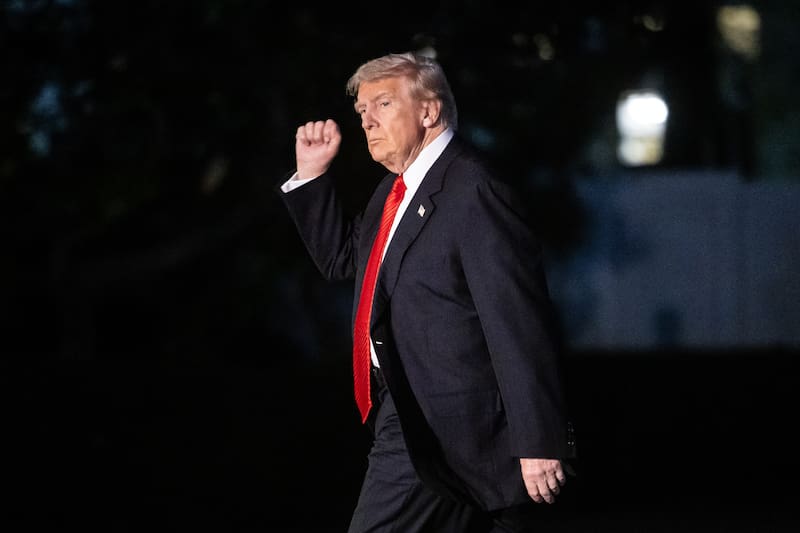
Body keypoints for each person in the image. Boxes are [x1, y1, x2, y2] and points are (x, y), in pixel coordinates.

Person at [278, 51, 575, 532]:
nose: (367, 120)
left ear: (428, 111)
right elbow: (343, 260)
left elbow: (516, 321)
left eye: (383, 104)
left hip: (454, 422)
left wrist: (539, 439)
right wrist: (311, 175)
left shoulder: (472, 187)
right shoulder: (393, 191)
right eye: (362, 112)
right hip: (413, 414)